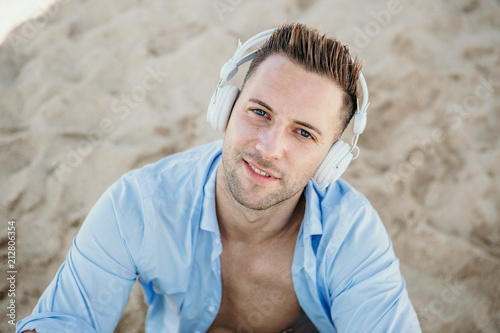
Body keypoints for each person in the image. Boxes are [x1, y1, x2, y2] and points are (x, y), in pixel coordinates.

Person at [17, 22, 421, 333]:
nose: (268, 147)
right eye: (259, 112)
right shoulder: (139, 204)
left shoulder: (351, 234)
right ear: (225, 109)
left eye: (303, 133)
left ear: (331, 159)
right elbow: (65, 319)